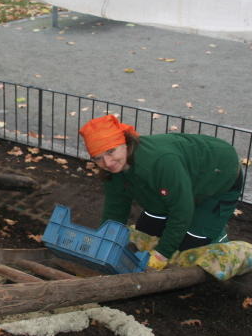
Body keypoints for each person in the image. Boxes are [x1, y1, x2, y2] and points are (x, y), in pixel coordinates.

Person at [79, 114, 243, 270]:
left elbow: (181, 211)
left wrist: (162, 254)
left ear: (125, 142)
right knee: (147, 230)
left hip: (217, 173)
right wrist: (104, 240)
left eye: (110, 151)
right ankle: (186, 207)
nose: (107, 162)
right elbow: (115, 208)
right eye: (98, 158)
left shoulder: (159, 162)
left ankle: (216, 233)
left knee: (188, 246)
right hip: (181, 179)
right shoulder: (114, 170)